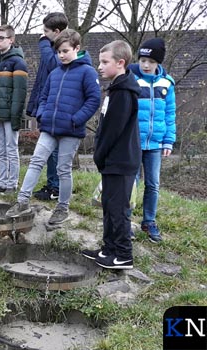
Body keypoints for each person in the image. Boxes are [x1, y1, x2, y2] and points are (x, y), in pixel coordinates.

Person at [5, 29, 100, 224]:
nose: (61, 55)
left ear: (77, 48)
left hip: (71, 131)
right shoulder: (55, 72)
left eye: (65, 51)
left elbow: (93, 99)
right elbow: (44, 96)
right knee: (35, 161)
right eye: (58, 52)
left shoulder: (87, 72)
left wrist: (76, 119)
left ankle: (62, 208)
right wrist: (42, 114)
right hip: (49, 127)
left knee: (63, 169)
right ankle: (22, 201)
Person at [82, 40, 141, 269]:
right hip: (111, 162)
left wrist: (99, 154)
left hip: (121, 160)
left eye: (105, 62)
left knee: (118, 209)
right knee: (108, 205)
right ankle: (108, 249)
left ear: (120, 63)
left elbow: (113, 130)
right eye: (99, 62)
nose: (100, 66)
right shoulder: (114, 89)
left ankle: (124, 254)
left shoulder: (124, 93)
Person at [128, 38, 176, 243]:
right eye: (143, 60)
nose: (146, 65)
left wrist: (168, 140)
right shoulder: (130, 78)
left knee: (153, 184)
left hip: (156, 143)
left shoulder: (167, 83)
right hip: (133, 141)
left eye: (151, 61)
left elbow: (170, 113)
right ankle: (125, 221)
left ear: (158, 63)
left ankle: (149, 221)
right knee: (131, 183)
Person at [27, 12, 69, 201]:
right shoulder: (54, 47)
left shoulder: (61, 50)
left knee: (56, 151)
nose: (43, 35)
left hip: (59, 107)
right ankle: (52, 184)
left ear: (57, 32)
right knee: (51, 151)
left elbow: (53, 64)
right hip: (47, 104)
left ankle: (56, 187)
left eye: (46, 32)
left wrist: (44, 43)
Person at [0, 24, 28, 194]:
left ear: (11, 40)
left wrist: (16, 116)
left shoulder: (18, 62)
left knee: (11, 149)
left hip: (10, 115)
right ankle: (2, 183)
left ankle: (12, 184)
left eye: (1, 38)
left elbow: (20, 92)